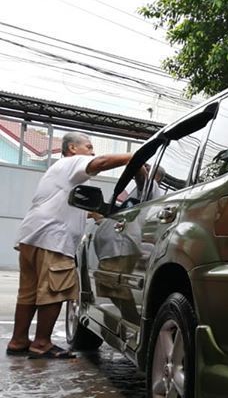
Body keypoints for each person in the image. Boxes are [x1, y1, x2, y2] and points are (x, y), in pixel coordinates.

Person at [5, 132, 133, 358]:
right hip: (53, 239)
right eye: (89, 146)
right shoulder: (72, 163)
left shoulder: (63, 175)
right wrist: (134, 157)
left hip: (31, 238)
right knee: (55, 291)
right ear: (72, 148)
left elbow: (94, 211)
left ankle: (18, 341)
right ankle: (42, 344)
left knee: (29, 293)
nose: (92, 152)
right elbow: (101, 163)